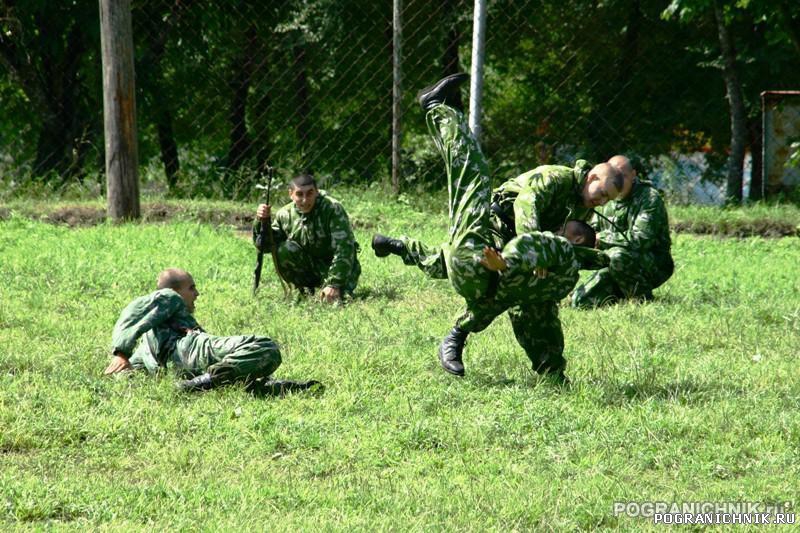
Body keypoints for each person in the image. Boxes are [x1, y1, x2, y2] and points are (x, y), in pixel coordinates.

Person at [375, 73, 613, 382]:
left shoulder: (582, 204)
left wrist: (585, 255)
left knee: (535, 302)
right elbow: (525, 204)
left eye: (609, 199)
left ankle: (552, 373)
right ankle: (435, 105)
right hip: (491, 224)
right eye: (602, 194)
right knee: (472, 180)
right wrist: (533, 254)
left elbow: (565, 250)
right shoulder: (557, 177)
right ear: (592, 177)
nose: (602, 202)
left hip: (520, 249)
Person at [104, 268, 317, 393]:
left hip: (185, 369)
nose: (197, 293)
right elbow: (133, 312)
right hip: (193, 348)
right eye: (191, 288)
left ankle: (265, 386)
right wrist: (121, 352)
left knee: (231, 369)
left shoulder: (145, 350)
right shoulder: (169, 297)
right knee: (265, 346)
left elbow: (126, 377)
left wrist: (124, 371)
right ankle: (204, 383)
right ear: (174, 291)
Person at [571, 155, 674, 308]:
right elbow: (594, 232)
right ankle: (620, 293)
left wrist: (603, 238)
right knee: (580, 302)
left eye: (623, 176)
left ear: (633, 175)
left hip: (652, 264)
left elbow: (641, 239)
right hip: (614, 263)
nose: (618, 182)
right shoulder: (606, 198)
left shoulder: (649, 198)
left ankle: (642, 299)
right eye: (614, 177)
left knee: (616, 255)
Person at [253, 174, 360, 303]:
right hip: (309, 266)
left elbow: (344, 249)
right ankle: (304, 290)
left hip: (337, 269)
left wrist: (334, 284)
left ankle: (335, 288)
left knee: (335, 301)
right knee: (283, 249)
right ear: (291, 194)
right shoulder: (284, 214)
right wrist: (261, 221)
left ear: (317, 192)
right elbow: (265, 245)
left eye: (309, 194)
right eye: (299, 195)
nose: (305, 200)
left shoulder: (332, 209)